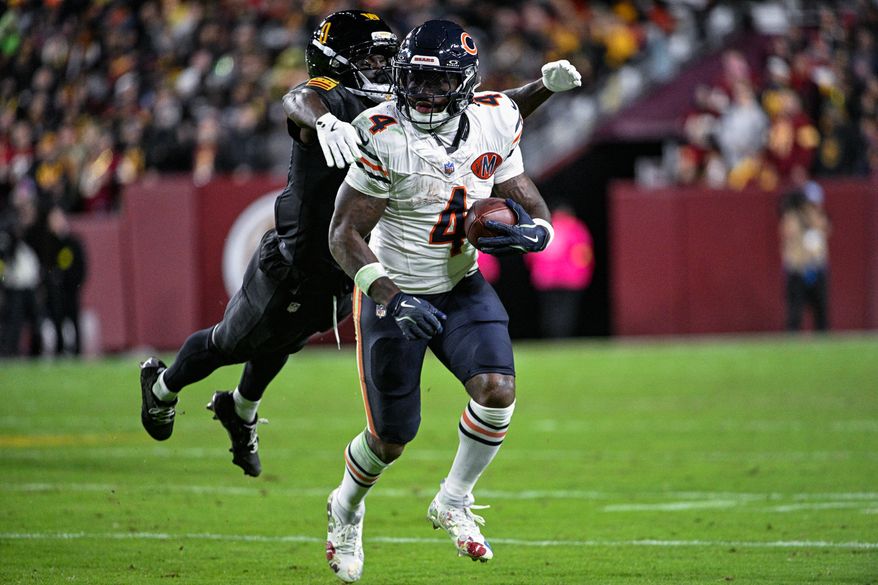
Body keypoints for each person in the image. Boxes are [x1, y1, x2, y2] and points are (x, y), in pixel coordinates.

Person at [138, 10, 582, 478]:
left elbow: (482, 106)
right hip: (300, 260)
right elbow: (299, 97)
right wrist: (326, 125)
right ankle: (163, 387)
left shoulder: (408, 100)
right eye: (369, 57)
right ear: (335, 62)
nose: (380, 67)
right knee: (233, 342)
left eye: (386, 56)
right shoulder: (336, 100)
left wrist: (542, 88)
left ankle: (242, 410)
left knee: (285, 342)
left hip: (353, 266)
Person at [325, 20, 560, 582]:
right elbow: (342, 236)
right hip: (394, 293)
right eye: (414, 81)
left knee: (497, 390)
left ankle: (453, 500)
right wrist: (390, 296)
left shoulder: (493, 121)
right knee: (390, 439)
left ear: (464, 85)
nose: (424, 95)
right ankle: (345, 508)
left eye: (438, 84)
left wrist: (536, 235)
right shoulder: (382, 133)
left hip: (461, 285)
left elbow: (535, 208)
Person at [523, 204, 594, 338]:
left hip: (546, 278)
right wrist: (581, 274)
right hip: (570, 279)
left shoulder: (544, 228)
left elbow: (531, 253)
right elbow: (583, 253)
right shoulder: (576, 228)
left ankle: (552, 338)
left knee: (549, 310)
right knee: (566, 310)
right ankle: (562, 338)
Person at [779, 182, 831, 331]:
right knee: (795, 312)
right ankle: (793, 345)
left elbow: (825, 229)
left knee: (821, 311)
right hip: (797, 269)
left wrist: (813, 218)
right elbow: (788, 232)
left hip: (817, 267)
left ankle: (823, 344)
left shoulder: (818, 216)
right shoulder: (792, 217)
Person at [45, 206, 87, 355]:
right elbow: (47, 267)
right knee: (57, 319)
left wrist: (74, 282)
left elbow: (81, 266)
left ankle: (77, 350)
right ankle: (59, 349)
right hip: (56, 291)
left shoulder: (74, 242)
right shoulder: (49, 243)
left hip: (71, 289)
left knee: (74, 320)